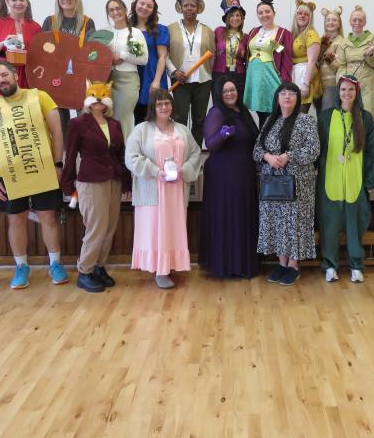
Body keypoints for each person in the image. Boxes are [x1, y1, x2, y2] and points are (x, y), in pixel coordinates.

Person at [0, 60, 68, 289]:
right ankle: (21, 267)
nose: (1, 80)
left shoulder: (39, 96)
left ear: (14, 74)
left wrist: (58, 164)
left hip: (43, 168)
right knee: (16, 219)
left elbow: (57, 132)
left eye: (4, 75)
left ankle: (55, 264)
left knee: (48, 217)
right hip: (9, 173)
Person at [125, 89, 201, 289]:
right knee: (155, 231)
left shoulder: (182, 130)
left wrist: (184, 170)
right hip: (152, 190)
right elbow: (131, 157)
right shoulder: (141, 130)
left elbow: (195, 152)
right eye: (159, 104)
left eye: (167, 103)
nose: (164, 107)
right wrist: (155, 171)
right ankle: (160, 270)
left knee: (173, 230)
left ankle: (169, 266)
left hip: (176, 191)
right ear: (153, 107)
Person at [60, 81, 131, 292]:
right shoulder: (78, 124)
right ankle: (85, 271)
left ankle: (99, 267)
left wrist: (126, 182)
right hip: (91, 181)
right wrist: (67, 183)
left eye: (103, 96)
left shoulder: (114, 124)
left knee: (109, 227)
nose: (99, 100)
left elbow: (120, 154)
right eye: (95, 96)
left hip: (114, 180)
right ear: (88, 99)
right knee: (96, 228)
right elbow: (70, 155)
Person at [253, 83, 319, 286]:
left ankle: (293, 265)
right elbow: (256, 149)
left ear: (298, 98)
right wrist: (268, 157)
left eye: (292, 93)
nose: (287, 96)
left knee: (294, 223)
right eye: (283, 93)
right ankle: (281, 264)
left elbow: (314, 150)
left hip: (299, 184)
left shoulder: (306, 120)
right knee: (278, 222)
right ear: (277, 98)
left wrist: (288, 156)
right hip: (273, 182)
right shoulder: (270, 121)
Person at [317, 75, 374, 283]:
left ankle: (356, 265)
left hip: (355, 181)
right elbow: (318, 149)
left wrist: (370, 180)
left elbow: (371, 151)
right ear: (338, 92)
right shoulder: (325, 117)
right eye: (343, 89)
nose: (347, 93)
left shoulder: (365, 118)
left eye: (351, 90)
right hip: (329, 180)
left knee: (355, 225)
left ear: (357, 92)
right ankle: (330, 265)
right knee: (330, 225)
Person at [199, 78, 260, 278]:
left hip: (245, 174)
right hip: (223, 177)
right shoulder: (216, 112)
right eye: (225, 91)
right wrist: (223, 135)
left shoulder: (243, 111)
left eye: (232, 89)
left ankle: (242, 265)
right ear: (219, 94)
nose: (229, 93)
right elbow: (211, 144)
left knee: (242, 219)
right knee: (227, 219)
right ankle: (225, 266)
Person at [41, 0, 97, 137]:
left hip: (80, 77)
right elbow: (43, 48)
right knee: (60, 121)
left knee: (85, 117)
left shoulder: (87, 22)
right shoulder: (50, 21)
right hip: (56, 76)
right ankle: (65, 150)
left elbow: (91, 50)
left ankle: (84, 149)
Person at [167, 0, 215, 147]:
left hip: (203, 81)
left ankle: (196, 154)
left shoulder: (207, 30)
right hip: (180, 81)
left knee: (199, 120)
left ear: (198, 7)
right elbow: (165, 54)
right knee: (180, 119)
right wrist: (174, 71)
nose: (189, 8)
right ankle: (180, 153)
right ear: (180, 7)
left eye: (192, 5)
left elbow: (213, 56)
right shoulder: (170, 29)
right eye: (186, 5)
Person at [244, 0, 293, 126]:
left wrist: (286, 82)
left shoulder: (283, 33)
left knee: (273, 112)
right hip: (254, 79)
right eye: (260, 13)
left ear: (274, 13)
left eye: (267, 11)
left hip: (271, 77)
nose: (264, 15)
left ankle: (270, 138)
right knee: (261, 113)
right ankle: (262, 137)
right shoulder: (253, 31)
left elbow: (286, 57)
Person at [104, 0, 148, 139]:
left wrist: (122, 55)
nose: (115, 12)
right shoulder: (106, 33)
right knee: (110, 118)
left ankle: (127, 151)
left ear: (125, 10)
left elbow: (144, 59)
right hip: (108, 81)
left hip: (128, 81)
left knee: (123, 118)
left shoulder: (135, 33)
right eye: (111, 10)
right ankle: (114, 150)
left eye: (118, 8)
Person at [332, 6, 374, 118]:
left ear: (365, 22)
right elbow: (340, 65)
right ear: (350, 22)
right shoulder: (343, 42)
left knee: (367, 115)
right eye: (354, 20)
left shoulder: (373, 39)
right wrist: (343, 82)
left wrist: (370, 56)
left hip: (368, 83)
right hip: (350, 83)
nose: (357, 23)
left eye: (360, 20)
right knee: (349, 115)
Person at [130, 0, 169, 125]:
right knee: (137, 118)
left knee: (155, 117)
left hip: (152, 75)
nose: (144, 7)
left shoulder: (160, 30)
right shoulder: (127, 29)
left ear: (153, 10)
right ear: (135, 5)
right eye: (142, 3)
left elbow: (162, 56)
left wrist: (156, 81)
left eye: (149, 6)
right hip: (132, 75)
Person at [212, 0, 249, 99]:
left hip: (239, 75)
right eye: (231, 15)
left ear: (242, 18)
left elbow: (247, 60)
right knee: (219, 102)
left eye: (238, 15)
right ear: (227, 18)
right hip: (219, 73)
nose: (235, 18)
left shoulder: (246, 37)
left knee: (238, 103)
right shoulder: (219, 31)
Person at [290, 0, 321, 113]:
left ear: (310, 18)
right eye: (299, 13)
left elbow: (312, 61)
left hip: (304, 76)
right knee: (292, 115)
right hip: (295, 75)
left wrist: (306, 84)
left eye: (306, 14)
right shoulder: (294, 34)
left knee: (300, 115)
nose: (302, 16)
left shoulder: (311, 34)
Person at [316, 6, 348, 113]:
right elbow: (317, 63)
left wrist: (328, 57)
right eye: (328, 20)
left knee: (327, 114)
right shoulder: (320, 40)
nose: (330, 22)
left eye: (334, 20)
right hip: (318, 83)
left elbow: (340, 65)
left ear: (339, 24)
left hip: (331, 84)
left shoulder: (341, 42)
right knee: (320, 115)